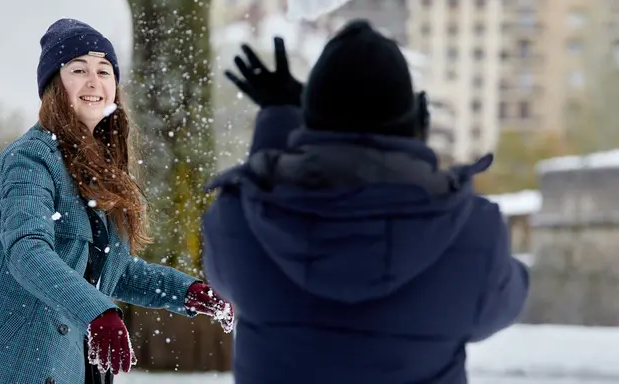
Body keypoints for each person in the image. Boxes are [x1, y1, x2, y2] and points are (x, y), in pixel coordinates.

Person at [201, 19, 529, 383]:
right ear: (417, 118)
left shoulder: (238, 215)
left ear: (310, 117)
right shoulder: (473, 229)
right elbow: (503, 304)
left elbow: (233, 270)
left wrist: (280, 118)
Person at [0, 18, 233, 384]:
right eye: (78, 70)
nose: (94, 81)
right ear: (54, 84)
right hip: (11, 366)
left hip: (72, 368)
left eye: (104, 71)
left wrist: (191, 293)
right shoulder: (29, 160)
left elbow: (113, 271)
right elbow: (27, 251)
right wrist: (99, 313)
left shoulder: (98, 168)